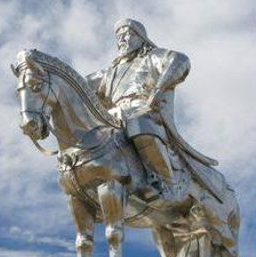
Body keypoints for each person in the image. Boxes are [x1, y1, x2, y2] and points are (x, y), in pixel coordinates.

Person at [86, 18, 218, 201]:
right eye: (119, 36)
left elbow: (179, 60)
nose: (122, 39)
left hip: (142, 107)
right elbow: (80, 85)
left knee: (138, 123)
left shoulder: (151, 57)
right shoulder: (109, 72)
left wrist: (158, 89)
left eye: (127, 34)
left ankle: (167, 183)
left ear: (140, 37)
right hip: (113, 115)